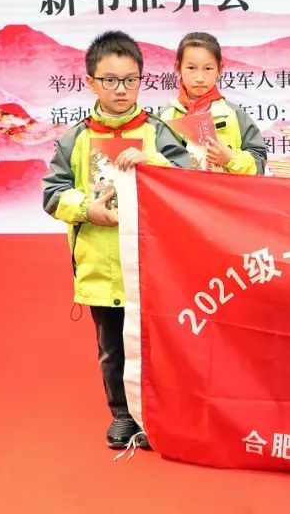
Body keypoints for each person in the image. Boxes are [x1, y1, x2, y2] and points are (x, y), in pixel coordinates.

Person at [42, 30, 190, 450]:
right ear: (91, 81)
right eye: (110, 80)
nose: (121, 89)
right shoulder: (76, 138)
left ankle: (157, 414)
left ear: (141, 79)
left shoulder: (158, 132)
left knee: (158, 345)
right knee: (113, 348)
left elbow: (188, 182)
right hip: (101, 265)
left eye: (130, 79)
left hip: (153, 265)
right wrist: (86, 209)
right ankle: (123, 415)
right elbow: (52, 194)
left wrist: (153, 160)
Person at [160, 31, 267, 175]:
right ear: (178, 68)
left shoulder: (234, 115)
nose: (199, 78)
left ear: (219, 69)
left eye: (208, 69)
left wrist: (230, 159)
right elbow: (152, 162)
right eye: (191, 68)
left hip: (222, 189)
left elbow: (260, 163)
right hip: (178, 189)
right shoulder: (164, 117)